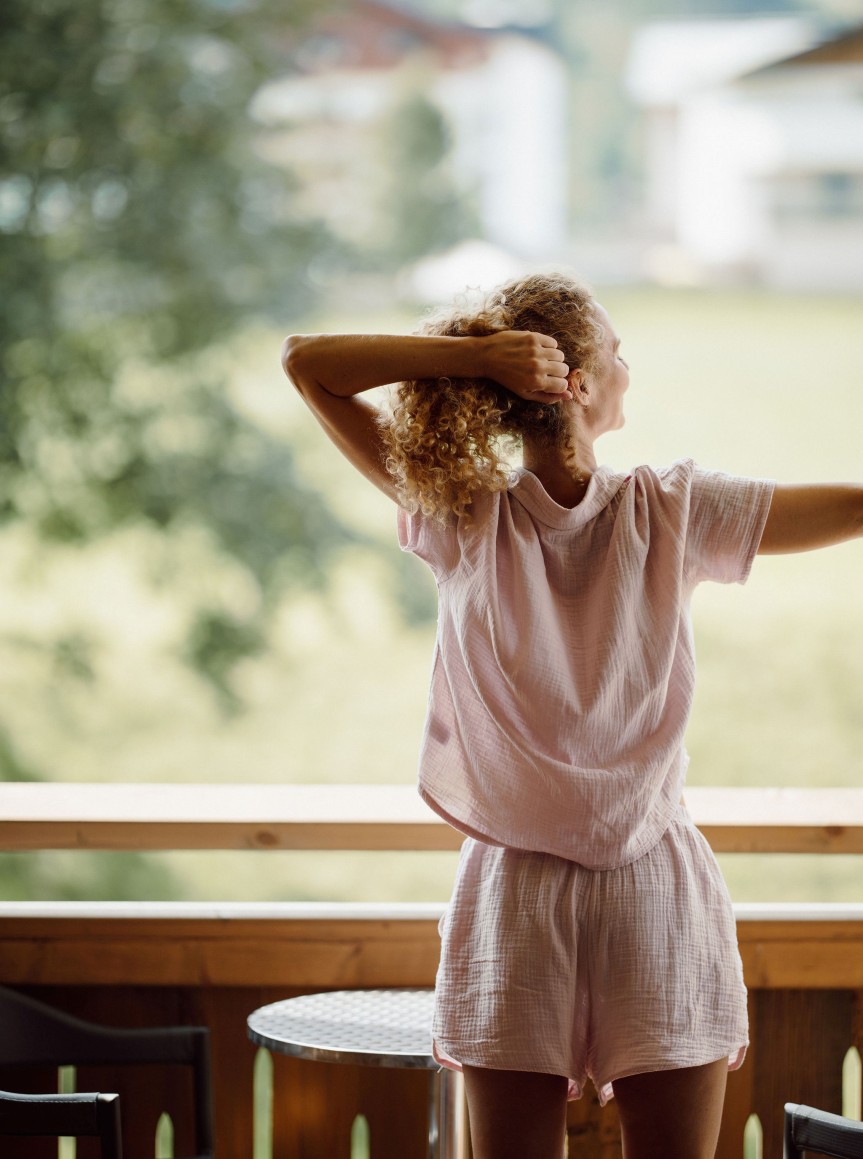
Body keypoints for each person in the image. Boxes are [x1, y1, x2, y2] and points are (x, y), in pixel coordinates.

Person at [282, 272, 863, 1159]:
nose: (629, 367)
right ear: (579, 383)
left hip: (521, 892)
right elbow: (857, 504)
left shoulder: (460, 512)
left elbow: (310, 364)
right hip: (647, 888)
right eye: (617, 352)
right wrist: (486, 358)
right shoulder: (668, 506)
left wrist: (475, 360)